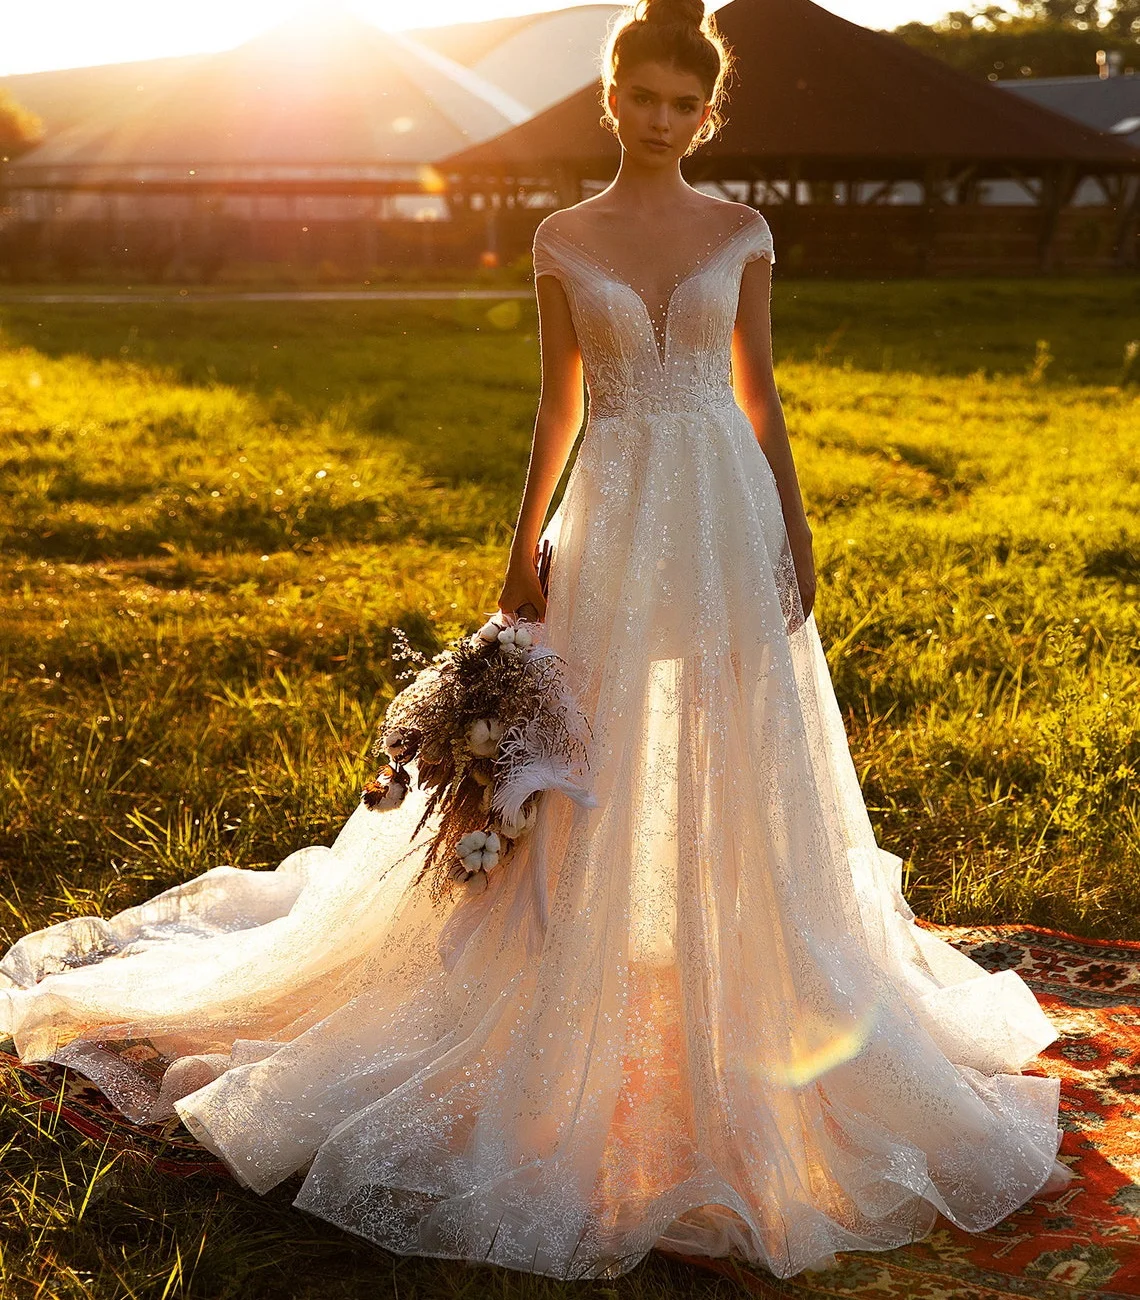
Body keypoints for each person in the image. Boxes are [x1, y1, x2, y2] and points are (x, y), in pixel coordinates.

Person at [0, 0, 1070, 1283]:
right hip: (613, 515)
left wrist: (797, 531)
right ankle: (570, 974)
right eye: (646, 99)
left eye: (687, 105)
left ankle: (742, 969)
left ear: (707, 113)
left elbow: (759, 389)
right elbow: (558, 406)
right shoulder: (564, 236)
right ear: (613, 96)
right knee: (594, 742)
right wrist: (524, 551)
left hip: (725, 508)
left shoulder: (743, 230)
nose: (664, 122)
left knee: (736, 738)